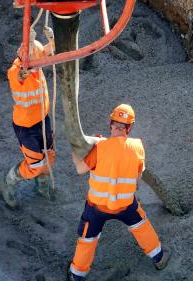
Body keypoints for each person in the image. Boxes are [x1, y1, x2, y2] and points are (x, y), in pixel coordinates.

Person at [69, 104, 171, 281]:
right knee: (141, 226)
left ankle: (77, 274)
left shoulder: (99, 147)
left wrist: (75, 151)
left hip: (96, 207)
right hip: (125, 205)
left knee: (87, 239)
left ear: (111, 124)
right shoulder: (138, 147)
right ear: (129, 127)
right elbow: (138, 179)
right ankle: (159, 258)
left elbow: (79, 169)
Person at [0, 27, 56, 208]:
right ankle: (9, 181)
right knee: (35, 164)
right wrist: (29, 47)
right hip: (26, 127)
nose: (39, 62)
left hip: (42, 119)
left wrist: (52, 39)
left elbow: (48, 51)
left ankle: (41, 186)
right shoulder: (14, 71)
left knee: (49, 157)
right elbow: (21, 74)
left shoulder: (37, 57)